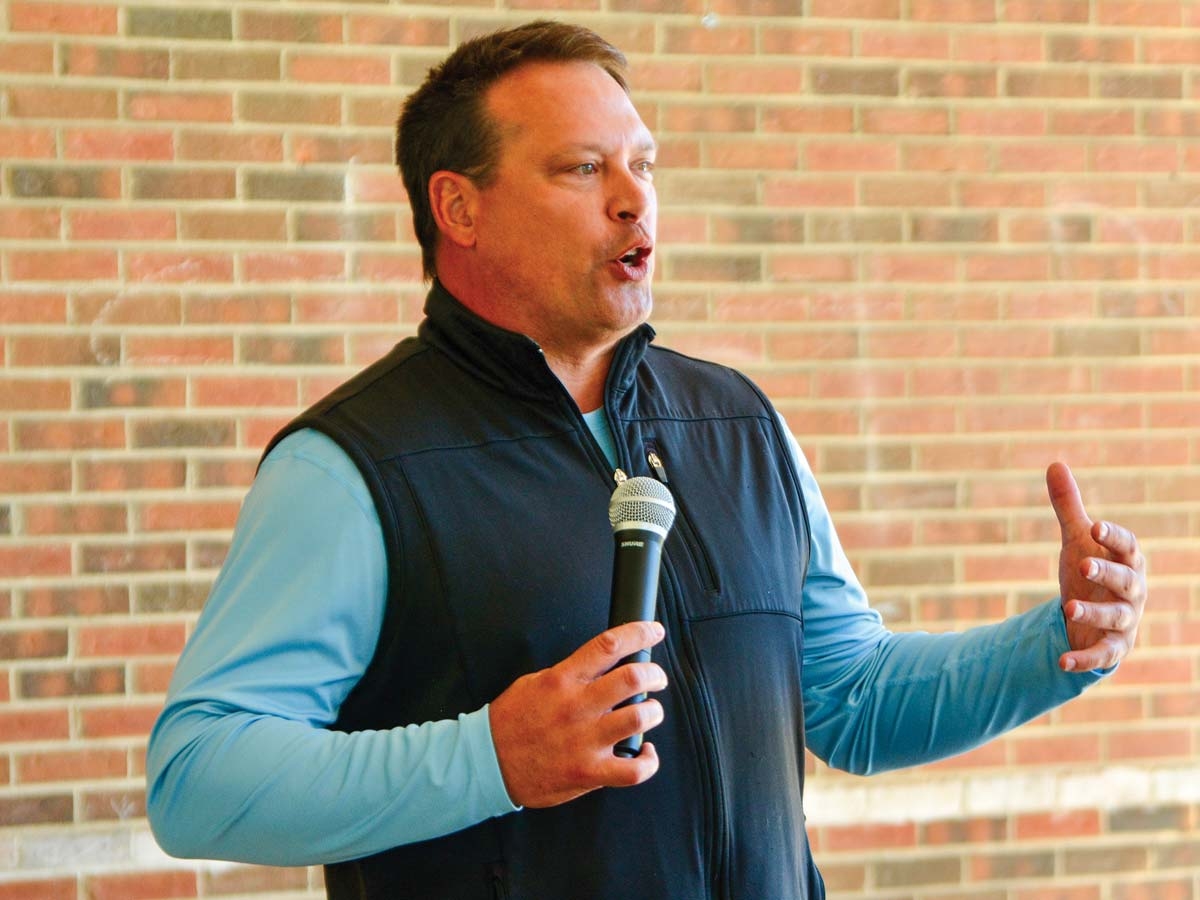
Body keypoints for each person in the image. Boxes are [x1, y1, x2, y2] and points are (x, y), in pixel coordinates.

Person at [145, 20, 1147, 900]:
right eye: (584, 169)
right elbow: (199, 782)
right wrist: (488, 759)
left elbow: (853, 702)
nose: (635, 201)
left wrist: (1056, 640)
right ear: (460, 209)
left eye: (646, 164)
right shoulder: (352, 468)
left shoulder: (742, 427)